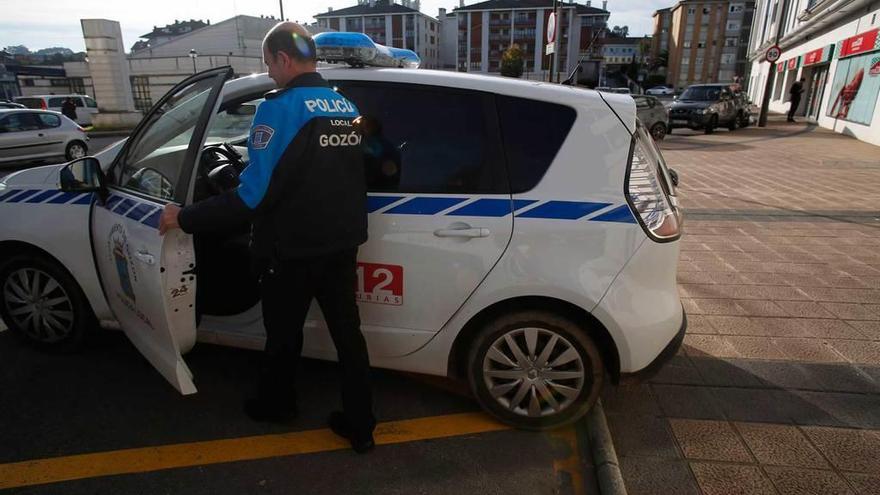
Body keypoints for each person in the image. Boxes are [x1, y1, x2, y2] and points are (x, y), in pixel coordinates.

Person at [157, 22, 376, 453]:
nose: (271, 75)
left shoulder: (276, 110)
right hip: (342, 243)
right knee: (349, 336)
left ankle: (277, 405)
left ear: (283, 59)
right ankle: (361, 425)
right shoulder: (344, 104)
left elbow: (251, 198)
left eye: (269, 66)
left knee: (283, 334)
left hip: (291, 250)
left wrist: (184, 217)